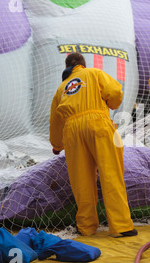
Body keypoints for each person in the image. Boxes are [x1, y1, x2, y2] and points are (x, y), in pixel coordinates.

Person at [49, 52, 137, 238]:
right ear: (82, 64)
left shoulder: (61, 89)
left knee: (81, 180)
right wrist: (112, 104)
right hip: (98, 124)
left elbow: (55, 121)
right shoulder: (94, 73)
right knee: (111, 173)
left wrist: (57, 145)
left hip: (72, 132)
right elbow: (115, 92)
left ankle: (86, 227)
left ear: (67, 67)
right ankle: (121, 226)